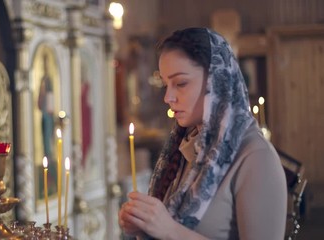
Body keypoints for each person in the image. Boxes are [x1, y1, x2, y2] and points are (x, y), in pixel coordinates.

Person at [118, 28, 287, 240]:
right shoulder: (187, 147)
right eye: (166, 84)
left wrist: (169, 230)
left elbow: (174, 231)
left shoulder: (256, 157)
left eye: (180, 83)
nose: (168, 97)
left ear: (218, 82)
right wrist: (146, 226)